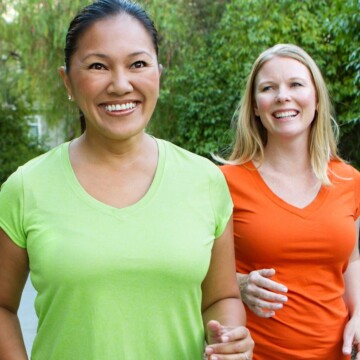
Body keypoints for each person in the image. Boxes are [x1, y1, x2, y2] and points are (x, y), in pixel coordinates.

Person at [0, 1, 254, 359]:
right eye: (98, 66)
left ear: (158, 74)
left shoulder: (205, 181)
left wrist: (229, 339)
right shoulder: (26, 188)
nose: (120, 84)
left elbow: (222, 297)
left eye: (137, 64)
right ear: (67, 81)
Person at [219, 43, 360, 360]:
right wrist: (239, 284)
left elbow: (351, 261)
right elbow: (197, 268)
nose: (283, 96)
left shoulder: (350, 180)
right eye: (268, 88)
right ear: (256, 106)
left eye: (295, 84)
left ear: (316, 98)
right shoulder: (224, 183)